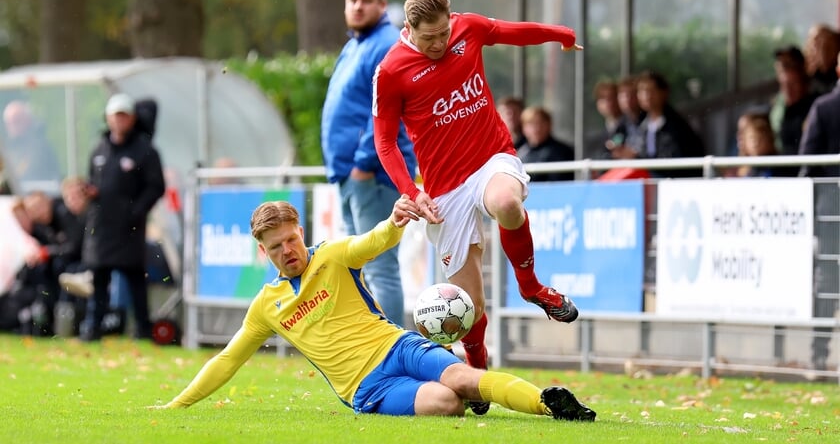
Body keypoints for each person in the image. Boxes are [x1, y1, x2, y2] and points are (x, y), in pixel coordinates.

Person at [151, 196, 596, 421]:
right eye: (276, 247)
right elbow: (227, 359)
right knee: (446, 402)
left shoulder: (332, 255)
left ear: (299, 230)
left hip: (397, 345)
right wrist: (175, 406)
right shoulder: (267, 305)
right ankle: (485, 398)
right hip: (366, 388)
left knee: (462, 377)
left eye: (291, 239)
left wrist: (395, 219)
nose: (287, 250)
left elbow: (373, 242)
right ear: (263, 251)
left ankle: (548, 403)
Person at [371, 0, 583, 415]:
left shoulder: (467, 29)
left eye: (443, 33)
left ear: (451, 19)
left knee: (507, 203)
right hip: (444, 190)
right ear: (408, 29)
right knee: (467, 307)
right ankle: (478, 363)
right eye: (428, 37)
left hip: (491, 158)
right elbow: (385, 141)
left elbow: (513, 31)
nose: (439, 43)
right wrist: (413, 192)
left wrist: (559, 33)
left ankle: (532, 287)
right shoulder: (391, 71)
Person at [321, 0, 417, 327]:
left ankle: (393, 348)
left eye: (366, 1)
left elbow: (385, 113)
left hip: (372, 175)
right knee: (357, 267)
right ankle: (369, 345)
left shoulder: (385, 43)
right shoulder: (355, 45)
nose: (358, 7)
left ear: (381, 5)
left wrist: (362, 163)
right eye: (352, 1)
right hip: (350, 175)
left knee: (380, 267)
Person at [79, 93, 165, 341]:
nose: (119, 121)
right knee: (99, 279)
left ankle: (142, 330)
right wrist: (90, 191)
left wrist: (135, 211)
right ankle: (92, 328)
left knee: (135, 280)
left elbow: (155, 186)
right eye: (115, 116)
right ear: (107, 118)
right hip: (101, 226)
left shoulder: (145, 150)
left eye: (123, 116)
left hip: (129, 227)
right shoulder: (99, 149)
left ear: (132, 118)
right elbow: (93, 181)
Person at [797, 50, 840, 372]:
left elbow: (807, 163)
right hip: (830, 210)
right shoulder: (823, 107)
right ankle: (819, 353)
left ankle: (819, 354)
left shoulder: (822, 107)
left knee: (826, 282)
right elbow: (807, 163)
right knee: (826, 281)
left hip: (830, 209)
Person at [624, 71, 705, 178]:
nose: (646, 96)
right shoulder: (641, 125)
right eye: (642, 91)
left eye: (651, 90)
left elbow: (673, 162)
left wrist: (637, 158)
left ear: (663, 93)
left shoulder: (676, 127)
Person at [1, 100, 62, 192]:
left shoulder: (41, 147)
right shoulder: (6, 148)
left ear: (28, 120)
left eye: (17, 121)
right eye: (9, 122)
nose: (12, 126)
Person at [516, 105, 575, 181]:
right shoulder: (520, 153)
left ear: (549, 125)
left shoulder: (562, 152)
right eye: (531, 124)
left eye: (540, 123)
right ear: (523, 128)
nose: (536, 128)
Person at [732, 112, 778, 178]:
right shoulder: (744, 169)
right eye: (752, 138)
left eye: (759, 138)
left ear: (769, 139)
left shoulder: (777, 166)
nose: (756, 143)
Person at [592, 80, 627, 159]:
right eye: (603, 99)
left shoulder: (627, 125)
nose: (608, 103)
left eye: (611, 98)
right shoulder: (604, 131)